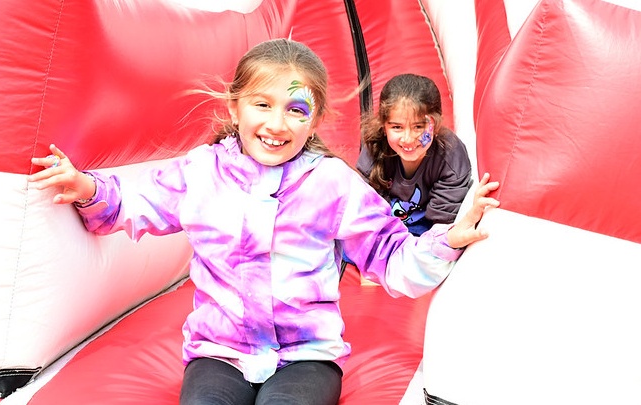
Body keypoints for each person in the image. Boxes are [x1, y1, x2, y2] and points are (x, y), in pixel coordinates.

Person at [28, 39, 499, 405]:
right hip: (220, 351)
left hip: (306, 355)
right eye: (262, 105)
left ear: (314, 121)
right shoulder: (202, 172)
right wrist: (88, 189)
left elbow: (390, 256)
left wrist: (448, 238)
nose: (278, 124)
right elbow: (137, 201)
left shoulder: (331, 183)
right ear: (234, 107)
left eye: (297, 110)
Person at [356, 73, 473, 236]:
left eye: (418, 127)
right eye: (397, 127)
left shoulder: (450, 156)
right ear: (384, 126)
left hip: (427, 228)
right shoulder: (375, 147)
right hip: (385, 225)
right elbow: (367, 207)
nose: (408, 139)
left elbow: (442, 225)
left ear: (436, 125)